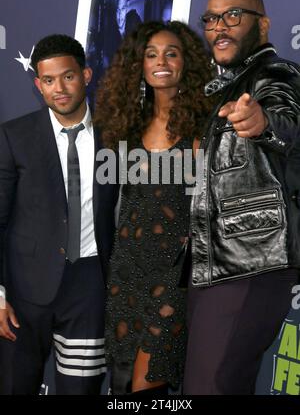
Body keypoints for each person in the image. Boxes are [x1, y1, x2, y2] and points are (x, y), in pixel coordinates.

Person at [183, 0, 300, 395]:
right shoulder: (224, 87)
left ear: (262, 25)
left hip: (250, 262)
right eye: (211, 19)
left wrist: (262, 124)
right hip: (217, 263)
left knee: (209, 386)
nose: (220, 27)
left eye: (233, 16)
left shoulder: (274, 73)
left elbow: (285, 118)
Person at [94, 20, 214, 394]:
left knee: (148, 382)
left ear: (186, 64)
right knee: (122, 382)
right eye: (151, 54)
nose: (161, 61)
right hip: (126, 273)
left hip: (175, 275)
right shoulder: (125, 127)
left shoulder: (203, 127)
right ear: (139, 65)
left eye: (171, 53)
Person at [0, 34, 119, 394]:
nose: (59, 89)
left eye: (67, 77)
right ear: (38, 85)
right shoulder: (14, 136)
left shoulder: (115, 135)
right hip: (23, 290)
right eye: (48, 81)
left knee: (80, 390)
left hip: (89, 288)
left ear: (86, 74)